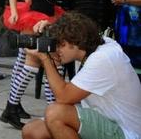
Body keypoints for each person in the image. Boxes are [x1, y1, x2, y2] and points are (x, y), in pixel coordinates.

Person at [0, 0, 79, 129]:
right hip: (33, 21)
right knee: (39, 64)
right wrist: (16, 12)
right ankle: (44, 111)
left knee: (43, 65)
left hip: (51, 20)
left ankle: (19, 108)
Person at [22, 11, 141, 139]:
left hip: (126, 132)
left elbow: (63, 97)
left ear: (76, 40)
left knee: (55, 113)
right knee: (32, 131)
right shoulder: (92, 46)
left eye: (60, 44)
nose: (56, 49)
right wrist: (50, 31)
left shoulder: (102, 58)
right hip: (103, 119)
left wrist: (45, 59)